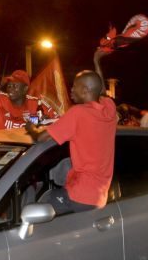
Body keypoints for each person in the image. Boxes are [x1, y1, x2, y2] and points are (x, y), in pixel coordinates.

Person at [25, 49, 116, 213]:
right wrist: (96, 61)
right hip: (99, 196)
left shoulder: (78, 113)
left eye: (74, 87)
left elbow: (41, 138)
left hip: (79, 194)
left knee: (34, 209)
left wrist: (30, 128)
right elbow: (100, 90)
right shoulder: (109, 109)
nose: (71, 91)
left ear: (85, 91)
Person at [0, 26, 55, 129]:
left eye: (15, 85)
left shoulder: (36, 103)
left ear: (25, 89)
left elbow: (56, 120)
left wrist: (38, 119)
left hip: (29, 145)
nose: (10, 88)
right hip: (0, 145)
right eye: (10, 85)